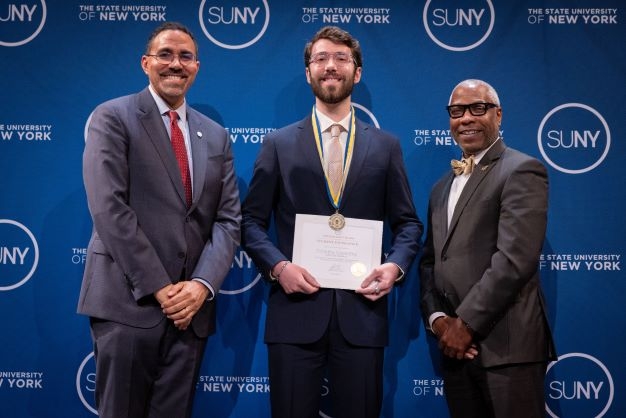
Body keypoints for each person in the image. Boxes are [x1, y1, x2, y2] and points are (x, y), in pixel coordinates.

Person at [241, 26, 422, 418]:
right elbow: (250, 222)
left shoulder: (386, 146)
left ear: (357, 73)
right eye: (321, 58)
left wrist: (394, 267)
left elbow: (408, 224)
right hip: (294, 314)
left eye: (341, 58)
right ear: (308, 72)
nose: (330, 66)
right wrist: (278, 267)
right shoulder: (278, 144)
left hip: (362, 315)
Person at [77, 22, 241, 418]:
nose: (175, 64)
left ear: (197, 67)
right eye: (165, 54)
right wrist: (160, 288)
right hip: (128, 303)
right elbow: (109, 208)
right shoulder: (113, 117)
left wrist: (200, 286)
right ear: (146, 63)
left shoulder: (216, 135)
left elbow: (228, 220)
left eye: (186, 56)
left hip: (191, 314)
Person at [420, 79, 556, 418]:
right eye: (457, 111)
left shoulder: (521, 170)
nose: (466, 118)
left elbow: (514, 261)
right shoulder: (440, 188)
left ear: (498, 114)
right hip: (454, 349)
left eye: (477, 108)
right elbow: (430, 263)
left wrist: (463, 326)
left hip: (506, 349)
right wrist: (439, 322)